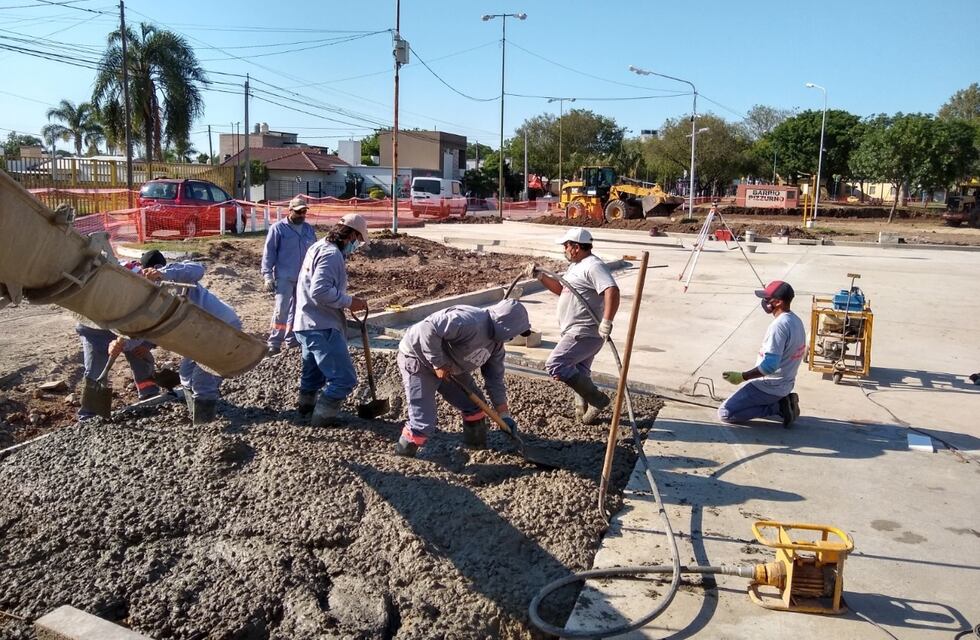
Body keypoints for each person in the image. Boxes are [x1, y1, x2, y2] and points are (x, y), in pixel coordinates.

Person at [394, 298, 532, 458]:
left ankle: (476, 448)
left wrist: (504, 415)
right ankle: (402, 461)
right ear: (505, 326)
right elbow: (428, 328)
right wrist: (437, 363)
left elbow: (495, 380)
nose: (513, 337)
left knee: (475, 406)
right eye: (514, 333)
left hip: (450, 368)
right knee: (422, 423)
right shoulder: (469, 321)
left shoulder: (496, 346)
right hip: (417, 359)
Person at [527, 227, 620, 425]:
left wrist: (607, 321)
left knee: (556, 364)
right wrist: (541, 276)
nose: (564, 250)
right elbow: (562, 289)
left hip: (584, 331)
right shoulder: (577, 266)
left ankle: (597, 400)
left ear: (576, 247)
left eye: (566, 246)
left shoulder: (593, 266)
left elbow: (611, 290)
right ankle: (582, 412)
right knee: (580, 371)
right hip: (577, 331)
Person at [140, 250, 242, 424]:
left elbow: (198, 269)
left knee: (204, 380)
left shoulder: (178, 275)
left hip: (221, 327)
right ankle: (197, 412)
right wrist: (132, 343)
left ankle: (204, 426)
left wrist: (164, 272)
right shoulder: (158, 292)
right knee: (186, 375)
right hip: (199, 333)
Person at [292, 214, 370, 427]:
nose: (356, 246)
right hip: (321, 325)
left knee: (313, 376)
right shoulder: (331, 254)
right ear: (351, 235)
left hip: (306, 323)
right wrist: (348, 301)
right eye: (358, 241)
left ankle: (305, 412)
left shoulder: (318, 246)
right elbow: (320, 291)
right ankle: (323, 418)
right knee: (344, 379)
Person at [718, 280, 806, 428]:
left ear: (778, 302)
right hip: (785, 384)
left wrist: (742, 376)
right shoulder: (795, 320)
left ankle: (779, 407)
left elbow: (769, 366)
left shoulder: (778, 327)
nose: (764, 302)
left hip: (768, 387)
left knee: (725, 413)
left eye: (767, 298)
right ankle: (781, 401)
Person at [261, 196, 317, 355]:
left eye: (304, 212)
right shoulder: (278, 228)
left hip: (303, 278)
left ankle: (291, 339)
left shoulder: (308, 229)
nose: (302, 215)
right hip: (284, 276)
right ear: (290, 211)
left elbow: (314, 252)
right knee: (282, 310)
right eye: (299, 212)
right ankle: (275, 342)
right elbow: (269, 253)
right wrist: (267, 276)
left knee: (299, 310)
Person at [75, 323, 158, 420]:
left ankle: (150, 396)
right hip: (95, 330)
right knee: (96, 371)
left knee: (140, 354)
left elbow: (159, 320)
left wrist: (148, 343)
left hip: (135, 328)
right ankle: (90, 415)